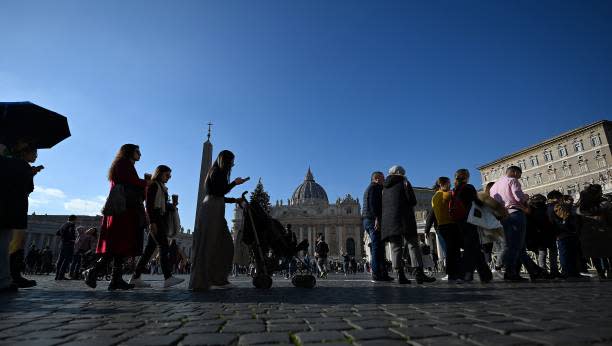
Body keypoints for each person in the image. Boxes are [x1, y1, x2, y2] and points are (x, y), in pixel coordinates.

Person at [85, 144, 150, 291]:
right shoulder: (122, 164)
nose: (140, 154)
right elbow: (130, 182)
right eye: (137, 151)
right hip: (121, 210)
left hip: (126, 210)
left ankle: (116, 279)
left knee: (121, 245)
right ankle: (92, 271)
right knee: (116, 244)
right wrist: (146, 182)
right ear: (129, 152)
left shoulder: (126, 165)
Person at [189, 150, 248, 291]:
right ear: (225, 161)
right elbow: (219, 192)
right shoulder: (216, 172)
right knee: (210, 245)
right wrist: (235, 183)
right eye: (231, 161)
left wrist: (235, 200)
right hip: (211, 210)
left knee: (224, 244)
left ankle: (218, 279)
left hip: (215, 208)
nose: (233, 164)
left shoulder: (217, 173)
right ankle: (204, 281)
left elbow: (218, 195)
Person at [130, 165, 184, 288]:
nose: (169, 178)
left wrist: (172, 205)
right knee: (164, 246)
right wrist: (152, 222)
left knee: (149, 250)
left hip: (160, 220)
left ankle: (135, 277)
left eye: (170, 176)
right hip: (156, 220)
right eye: (167, 175)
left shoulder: (162, 188)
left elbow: (163, 205)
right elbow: (148, 205)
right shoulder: (154, 185)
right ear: (160, 173)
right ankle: (168, 277)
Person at [381, 165, 435, 284]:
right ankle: (418, 273)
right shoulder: (404, 182)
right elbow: (412, 200)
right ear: (400, 173)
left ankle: (399, 274)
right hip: (405, 218)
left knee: (395, 248)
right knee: (413, 245)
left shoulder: (384, 188)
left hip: (390, 222)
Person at [490, 166, 543, 282]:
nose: (520, 177)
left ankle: (534, 270)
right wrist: (526, 197)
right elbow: (518, 197)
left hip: (503, 216)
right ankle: (510, 273)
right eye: (519, 174)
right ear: (514, 172)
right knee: (515, 246)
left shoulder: (495, 185)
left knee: (518, 246)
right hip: (515, 213)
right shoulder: (512, 180)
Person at [0, 141, 40, 292]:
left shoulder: (4, 162)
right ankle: (4, 280)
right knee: (5, 244)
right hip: (11, 210)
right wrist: (31, 174)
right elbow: (28, 188)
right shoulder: (22, 166)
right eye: (34, 153)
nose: (35, 156)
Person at [450, 169, 493, 283]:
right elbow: (477, 202)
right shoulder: (468, 187)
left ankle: (485, 274)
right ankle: (464, 274)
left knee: (474, 247)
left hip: (459, 221)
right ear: (466, 177)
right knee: (471, 247)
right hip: (470, 220)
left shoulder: (454, 189)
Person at [362, 171, 393, 282]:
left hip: (370, 219)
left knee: (380, 247)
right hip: (372, 219)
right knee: (376, 247)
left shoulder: (372, 188)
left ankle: (383, 272)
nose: (384, 179)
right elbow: (374, 205)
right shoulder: (374, 188)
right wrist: (377, 219)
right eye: (382, 177)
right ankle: (376, 273)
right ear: (376, 178)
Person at [431, 177, 463, 283]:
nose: (450, 185)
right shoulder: (448, 194)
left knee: (449, 250)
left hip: (441, 226)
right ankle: (457, 273)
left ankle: (451, 273)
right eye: (449, 183)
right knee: (455, 250)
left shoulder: (435, 196)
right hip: (451, 224)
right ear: (443, 184)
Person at [55, 215, 77, 280]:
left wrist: (63, 238)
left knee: (60, 260)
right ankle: (61, 275)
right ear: (74, 219)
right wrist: (72, 239)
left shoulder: (63, 225)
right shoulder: (71, 225)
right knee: (67, 260)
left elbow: (57, 233)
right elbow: (71, 233)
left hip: (63, 244)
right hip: (69, 244)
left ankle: (57, 275)